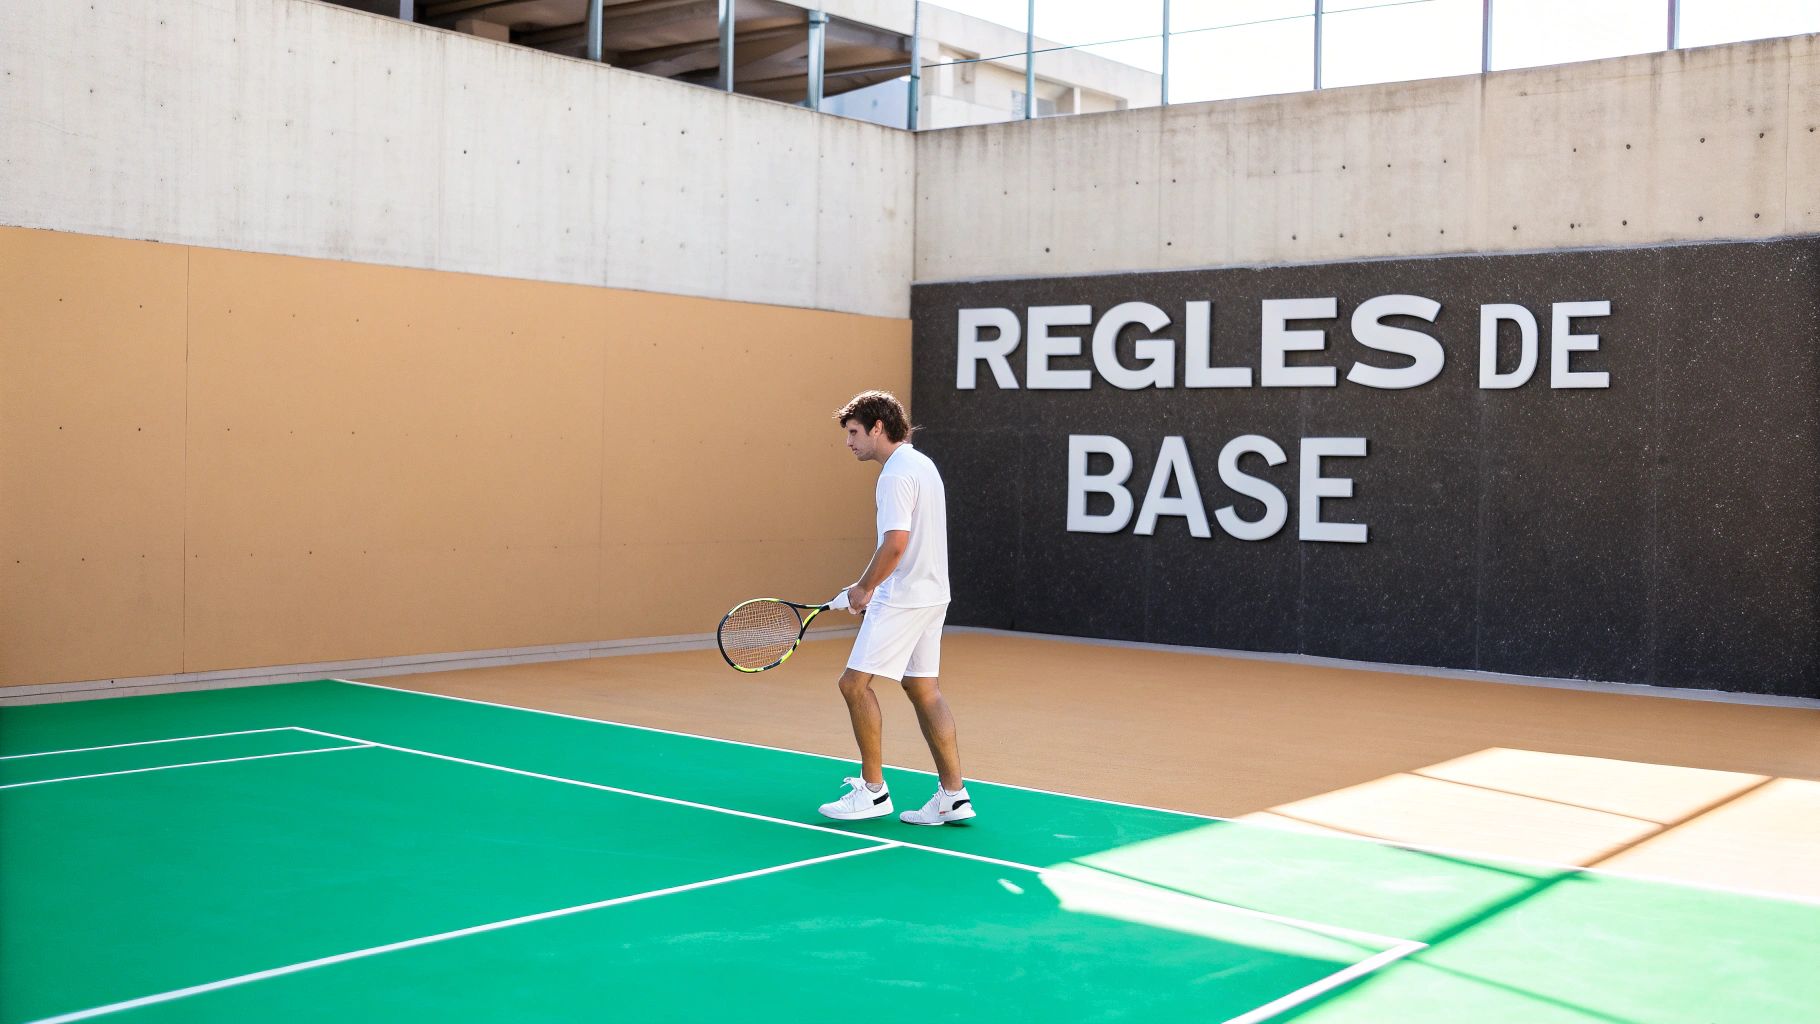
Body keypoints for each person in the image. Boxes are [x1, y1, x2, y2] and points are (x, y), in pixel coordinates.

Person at [817, 390, 973, 826]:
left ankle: (872, 791)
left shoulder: (893, 475)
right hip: (932, 594)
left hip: (903, 596)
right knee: (924, 689)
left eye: (853, 433)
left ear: (878, 428)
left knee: (853, 685)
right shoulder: (922, 464)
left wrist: (865, 588)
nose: (848, 442)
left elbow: (896, 543)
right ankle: (953, 795)